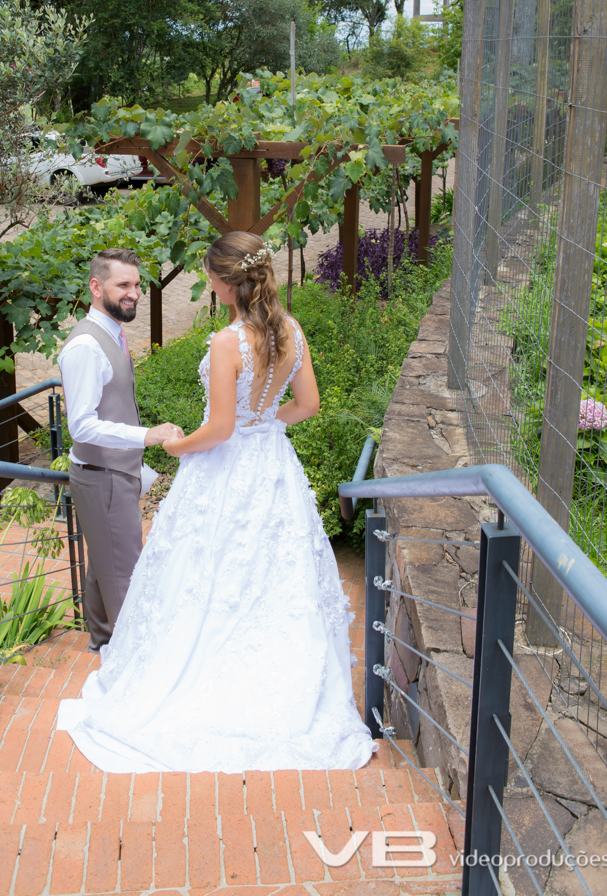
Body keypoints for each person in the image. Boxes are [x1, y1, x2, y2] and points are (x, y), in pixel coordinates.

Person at [57, 232, 377, 772]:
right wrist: (263, 427)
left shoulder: (229, 343)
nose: (207, 283)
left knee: (207, 573)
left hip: (224, 472)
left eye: (209, 277)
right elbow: (309, 404)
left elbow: (221, 429)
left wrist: (177, 445)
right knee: (270, 572)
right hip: (273, 466)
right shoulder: (290, 330)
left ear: (229, 284)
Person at [58, 248, 183, 653]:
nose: (134, 293)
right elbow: (81, 426)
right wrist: (146, 436)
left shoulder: (113, 331)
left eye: (136, 285)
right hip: (103, 477)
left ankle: (102, 641)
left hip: (117, 473)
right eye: (123, 285)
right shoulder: (85, 347)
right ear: (96, 287)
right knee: (125, 572)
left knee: (103, 563)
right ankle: (134, 656)